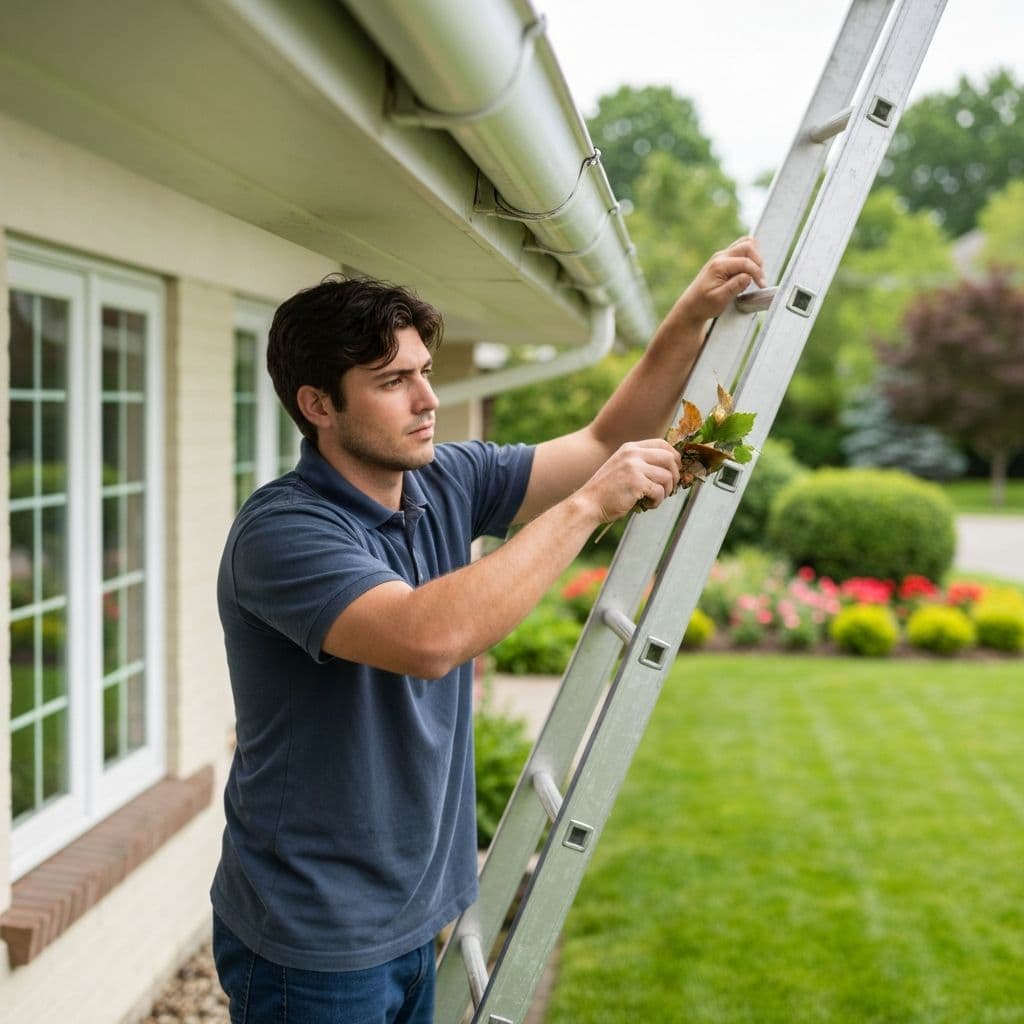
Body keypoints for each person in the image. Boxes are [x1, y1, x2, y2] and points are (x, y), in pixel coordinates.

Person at [211, 237, 765, 1023]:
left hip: (414, 912)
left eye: (424, 372)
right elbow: (425, 639)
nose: (426, 398)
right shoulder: (284, 534)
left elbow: (600, 445)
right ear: (318, 405)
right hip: (315, 937)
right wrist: (584, 508)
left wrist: (689, 316)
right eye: (393, 381)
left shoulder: (442, 481)